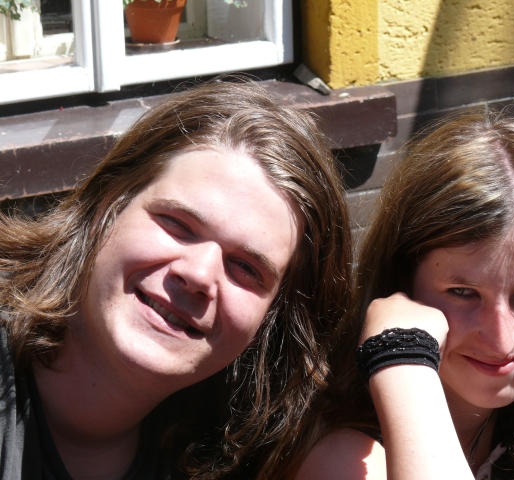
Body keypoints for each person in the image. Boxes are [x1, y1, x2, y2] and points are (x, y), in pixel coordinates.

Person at [0, 80, 353, 480]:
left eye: (246, 268)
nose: (198, 275)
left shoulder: (239, 456)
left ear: (270, 320)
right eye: (177, 224)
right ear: (105, 207)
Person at [296, 111, 514, 480]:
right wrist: (402, 358)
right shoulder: (344, 456)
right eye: (463, 292)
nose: (501, 339)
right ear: (401, 283)